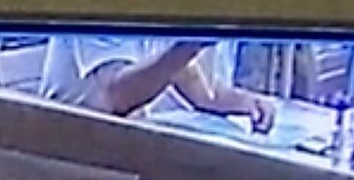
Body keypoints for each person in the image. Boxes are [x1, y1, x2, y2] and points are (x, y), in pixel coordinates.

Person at [39, 36, 277, 132]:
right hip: (68, 160)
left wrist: (249, 103)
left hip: (119, 155)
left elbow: (204, 95)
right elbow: (118, 96)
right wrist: (189, 45)